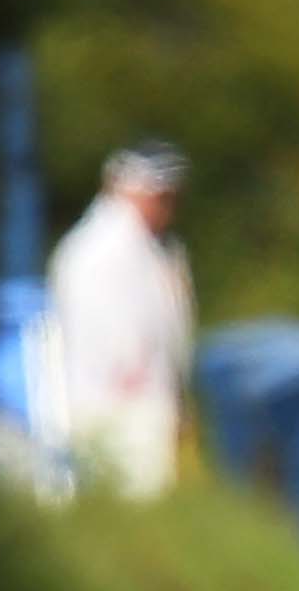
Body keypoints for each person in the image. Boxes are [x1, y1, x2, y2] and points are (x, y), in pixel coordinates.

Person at [47, 141, 196, 499]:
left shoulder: (147, 247)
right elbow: (118, 341)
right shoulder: (104, 247)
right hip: (120, 408)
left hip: (137, 406)